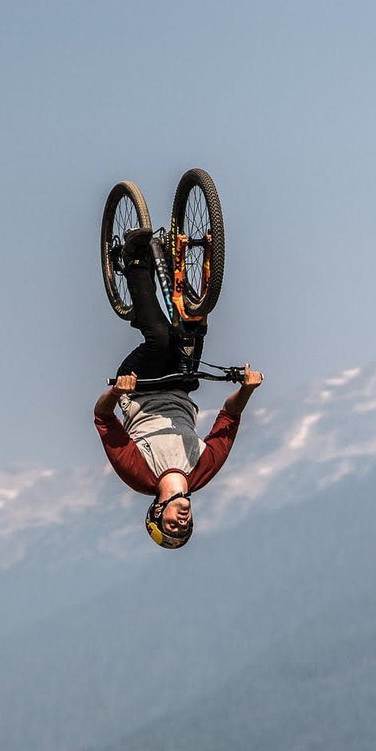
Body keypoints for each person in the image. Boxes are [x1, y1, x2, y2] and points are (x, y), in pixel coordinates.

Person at [93, 227, 263, 549]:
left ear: (157, 512)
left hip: (139, 387)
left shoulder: (139, 474)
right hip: (180, 385)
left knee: (160, 339)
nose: (182, 521)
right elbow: (228, 419)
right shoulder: (202, 471)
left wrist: (116, 393)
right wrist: (247, 389)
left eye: (172, 525)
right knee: (193, 326)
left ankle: (134, 260)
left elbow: (102, 418)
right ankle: (176, 264)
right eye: (186, 527)